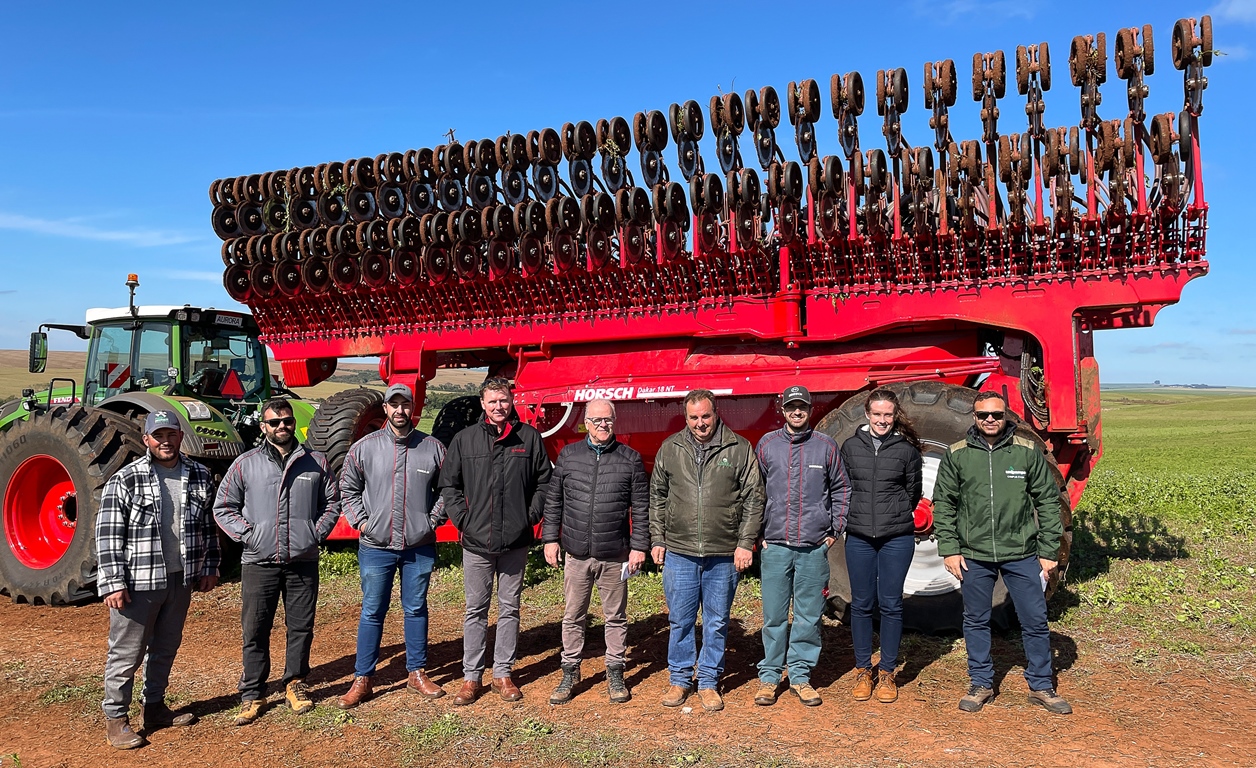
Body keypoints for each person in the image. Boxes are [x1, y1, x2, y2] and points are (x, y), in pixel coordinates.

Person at [932, 392, 1072, 715]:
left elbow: (1048, 504)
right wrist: (950, 549)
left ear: (1006, 415)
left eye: (996, 414)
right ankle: (981, 682)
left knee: (1035, 619)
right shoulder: (958, 455)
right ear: (974, 417)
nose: (990, 420)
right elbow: (945, 505)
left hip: (1021, 553)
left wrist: (1049, 550)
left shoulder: (1026, 453)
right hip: (974, 554)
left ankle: (1041, 685)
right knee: (976, 620)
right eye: (983, 415)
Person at [96, 410, 220, 749]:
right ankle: (116, 719)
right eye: (158, 435)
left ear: (181, 436)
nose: (165, 441)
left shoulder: (199, 474)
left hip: (180, 578)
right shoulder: (127, 478)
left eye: (171, 434)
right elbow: (107, 534)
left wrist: (209, 566)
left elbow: (207, 526)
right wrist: (113, 582)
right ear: (147, 439)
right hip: (138, 581)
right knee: (126, 653)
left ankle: (155, 708)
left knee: (165, 647)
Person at [214, 398, 340, 725]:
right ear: (263, 427)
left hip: (303, 559)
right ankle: (253, 692)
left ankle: (295, 683)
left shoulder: (315, 462)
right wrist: (250, 535)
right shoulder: (246, 464)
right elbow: (223, 507)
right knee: (255, 628)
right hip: (259, 560)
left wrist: (314, 533)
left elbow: (332, 502)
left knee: (300, 627)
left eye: (286, 421)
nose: (282, 426)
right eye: (274, 422)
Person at [649, 389, 764, 712]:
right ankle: (680, 679)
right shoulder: (671, 448)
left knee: (715, 621)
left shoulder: (739, 448)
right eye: (694, 418)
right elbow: (657, 495)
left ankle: (709, 681)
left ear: (716, 413)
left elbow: (754, 498)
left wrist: (745, 543)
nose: (700, 424)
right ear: (686, 418)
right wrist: (658, 538)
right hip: (680, 552)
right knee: (681, 620)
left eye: (706, 416)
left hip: (723, 552)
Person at [439, 377, 551, 704]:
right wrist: (463, 519)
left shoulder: (527, 438)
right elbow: (450, 485)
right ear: (482, 403)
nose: (498, 407)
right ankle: (471, 677)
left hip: (515, 541)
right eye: (492, 402)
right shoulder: (465, 439)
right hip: (476, 542)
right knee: (475, 609)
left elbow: (544, 482)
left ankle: (503, 673)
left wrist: (528, 516)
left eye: (503, 401)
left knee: (509, 608)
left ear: (511, 401)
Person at [335, 383, 448, 709]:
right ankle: (363, 678)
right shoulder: (364, 448)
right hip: (376, 546)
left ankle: (417, 673)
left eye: (405, 404)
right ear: (385, 409)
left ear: (414, 409)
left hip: (419, 545)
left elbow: (448, 488)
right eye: (393, 404)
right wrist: (362, 522)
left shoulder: (432, 448)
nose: (399, 410)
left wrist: (432, 520)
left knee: (415, 608)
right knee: (372, 610)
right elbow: (348, 487)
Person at [542, 399, 649, 705]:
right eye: (598, 420)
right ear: (585, 422)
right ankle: (570, 670)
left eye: (609, 421)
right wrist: (551, 539)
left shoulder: (629, 459)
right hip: (576, 553)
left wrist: (639, 546)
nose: (604, 426)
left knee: (615, 617)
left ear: (615, 423)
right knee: (573, 615)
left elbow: (641, 509)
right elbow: (554, 502)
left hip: (614, 555)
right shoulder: (569, 455)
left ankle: (615, 671)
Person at [752, 385, 849, 708]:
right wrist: (759, 535)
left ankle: (801, 676)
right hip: (776, 546)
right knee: (774, 616)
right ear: (782, 410)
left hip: (813, 547)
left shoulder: (826, 446)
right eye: (791, 407)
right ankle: (768, 677)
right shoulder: (768, 446)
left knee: (808, 616)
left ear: (810, 409)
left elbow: (842, 489)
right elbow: (756, 491)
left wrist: (833, 530)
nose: (797, 412)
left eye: (802, 407)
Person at [840, 388, 923, 704]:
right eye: (877, 414)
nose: (882, 420)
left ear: (894, 416)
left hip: (896, 537)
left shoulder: (906, 451)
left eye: (888, 415)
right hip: (859, 536)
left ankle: (887, 672)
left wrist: (895, 514)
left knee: (891, 604)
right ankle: (863, 669)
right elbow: (843, 487)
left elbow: (912, 492)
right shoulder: (850, 448)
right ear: (867, 415)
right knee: (861, 604)